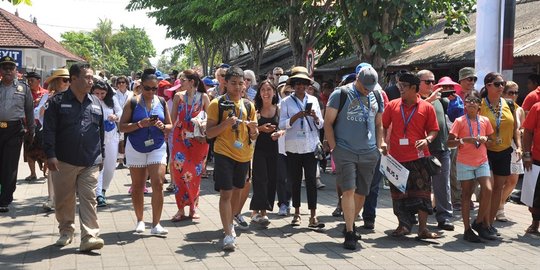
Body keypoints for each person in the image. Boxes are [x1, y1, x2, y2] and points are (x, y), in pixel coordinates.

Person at [42, 62, 104, 251]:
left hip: (90, 160)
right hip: (63, 160)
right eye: (87, 77)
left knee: (89, 198)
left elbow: (100, 131)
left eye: (92, 77)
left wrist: (101, 155)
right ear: (74, 79)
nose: (91, 81)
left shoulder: (95, 102)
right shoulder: (57, 102)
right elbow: (49, 130)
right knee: (64, 199)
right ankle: (66, 231)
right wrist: (50, 154)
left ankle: (89, 236)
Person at [324, 66, 384, 250]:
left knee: (362, 193)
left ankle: (350, 221)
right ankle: (349, 232)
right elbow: (328, 123)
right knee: (348, 190)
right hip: (345, 150)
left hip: (369, 152)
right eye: (364, 87)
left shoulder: (377, 96)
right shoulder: (340, 94)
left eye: (370, 88)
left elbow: (379, 123)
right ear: (357, 79)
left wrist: (379, 145)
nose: (367, 90)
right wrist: (335, 149)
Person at [382, 72, 441, 239]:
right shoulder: (392, 105)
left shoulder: (427, 107)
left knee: (422, 194)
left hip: (419, 157)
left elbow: (434, 129)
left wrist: (427, 140)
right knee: (398, 195)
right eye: (399, 86)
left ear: (414, 88)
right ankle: (403, 226)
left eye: (404, 86)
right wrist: (383, 142)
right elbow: (383, 126)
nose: (400, 89)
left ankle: (423, 229)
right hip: (396, 158)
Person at [206, 66, 258, 251]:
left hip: (243, 155)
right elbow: (209, 132)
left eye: (240, 83)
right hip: (224, 153)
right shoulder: (216, 104)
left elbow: (254, 136)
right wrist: (226, 124)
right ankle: (228, 234)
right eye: (233, 83)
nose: (237, 87)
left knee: (237, 191)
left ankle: (230, 221)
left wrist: (253, 129)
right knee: (226, 193)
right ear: (225, 83)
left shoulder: (249, 105)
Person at [119, 68, 172, 236]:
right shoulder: (132, 102)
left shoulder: (162, 102)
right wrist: (140, 124)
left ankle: (156, 224)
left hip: (157, 146)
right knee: (138, 187)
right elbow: (122, 126)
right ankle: (140, 220)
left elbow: (170, 125)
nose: (151, 92)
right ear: (141, 86)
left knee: (158, 182)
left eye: (154, 88)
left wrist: (163, 127)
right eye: (147, 88)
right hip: (135, 146)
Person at [279, 66, 324, 228]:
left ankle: (313, 214)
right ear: (292, 85)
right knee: (295, 181)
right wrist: (296, 117)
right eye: (297, 83)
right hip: (293, 146)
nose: (300, 86)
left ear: (307, 85)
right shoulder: (285, 102)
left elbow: (321, 124)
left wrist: (315, 117)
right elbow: (281, 124)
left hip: (310, 146)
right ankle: (297, 213)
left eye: (304, 83)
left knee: (312, 180)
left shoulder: (313, 101)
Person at [448, 91, 495, 242]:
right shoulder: (459, 121)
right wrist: (463, 141)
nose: (472, 103)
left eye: (475, 100)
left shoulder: (485, 120)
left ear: (480, 105)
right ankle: (467, 229)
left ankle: (479, 222)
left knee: (487, 189)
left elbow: (492, 140)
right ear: (465, 105)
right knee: (466, 195)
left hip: (482, 161)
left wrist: (486, 139)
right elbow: (449, 143)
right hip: (465, 162)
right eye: (468, 101)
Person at [479, 72, 521, 237]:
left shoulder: (509, 104)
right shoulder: (480, 104)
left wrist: (519, 146)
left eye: (502, 83)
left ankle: (489, 223)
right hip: (485, 151)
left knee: (498, 188)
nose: (501, 87)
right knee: (487, 188)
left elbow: (516, 128)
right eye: (497, 84)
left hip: (504, 151)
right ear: (488, 85)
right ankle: (482, 222)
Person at [170, 70, 210, 221]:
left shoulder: (203, 97)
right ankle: (180, 209)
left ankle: (193, 207)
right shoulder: (178, 97)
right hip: (180, 139)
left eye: (183, 80)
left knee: (194, 174)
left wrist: (203, 123)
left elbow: (210, 118)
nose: (180, 83)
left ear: (192, 82)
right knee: (180, 173)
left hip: (198, 140)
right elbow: (172, 119)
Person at [418, 71, 455, 231]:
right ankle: (418, 216)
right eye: (428, 82)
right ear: (418, 83)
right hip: (423, 149)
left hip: (442, 147)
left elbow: (455, 116)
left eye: (433, 82)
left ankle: (444, 217)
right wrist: (429, 100)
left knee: (442, 184)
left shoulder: (441, 100)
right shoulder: (415, 99)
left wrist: (455, 101)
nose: (432, 85)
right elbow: (414, 115)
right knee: (421, 185)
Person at [0, 56, 34, 213]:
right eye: (4, 67)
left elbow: (29, 110)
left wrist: (31, 130)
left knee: (10, 165)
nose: (7, 70)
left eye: (10, 68)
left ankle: (5, 199)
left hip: (15, 130)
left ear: (16, 71)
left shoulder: (23, 88)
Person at [250, 80, 281, 225]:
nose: (266, 93)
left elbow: (284, 127)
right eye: (263, 89)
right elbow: (249, 131)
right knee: (260, 178)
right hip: (259, 148)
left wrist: (279, 133)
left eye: (269, 89)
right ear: (259, 92)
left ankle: (264, 210)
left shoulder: (279, 109)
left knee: (272, 179)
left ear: (274, 92)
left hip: (275, 148)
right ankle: (258, 211)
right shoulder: (254, 109)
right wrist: (261, 129)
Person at [40, 68, 71, 211]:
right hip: (53, 137)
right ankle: (51, 198)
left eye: (69, 80)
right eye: (65, 80)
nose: (68, 83)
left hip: (69, 138)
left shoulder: (74, 96)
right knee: (52, 169)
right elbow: (38, 114)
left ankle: (65, 198)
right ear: (56, 81)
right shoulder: (48, 98)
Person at [497, 81, 525, 221]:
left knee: (513, 180)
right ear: (503, 93)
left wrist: (521, 145)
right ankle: (498, 207)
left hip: (515, 146)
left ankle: (500, 204)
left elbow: (520, 129)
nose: (513, 95)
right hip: (501, 145)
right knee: (500, 179)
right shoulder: (498, 107)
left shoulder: (519, 109)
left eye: (516, 92)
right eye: (510, 92)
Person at [91, 80, 122, 207]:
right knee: (98, 166)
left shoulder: (112, 100)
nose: (99, 96)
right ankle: (98, 194)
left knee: (110, 166)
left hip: (110, 136)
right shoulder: (88, 100)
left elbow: (120, 112)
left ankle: (103, 189)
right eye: (96, 93)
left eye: (102, 93)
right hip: (94, 137)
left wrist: (115, 116)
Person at [23, 71, 48, 181]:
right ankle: (32, 173)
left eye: (31, 80)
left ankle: (46, 172)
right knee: (29, 151)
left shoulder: (46, 94)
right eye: (28, 81)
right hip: (29, 125)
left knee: (45, 151)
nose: (29, 82)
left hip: (43, 126)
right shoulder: (25, 92)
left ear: (38, 81)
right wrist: (34, 102)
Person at [521, 102, 540, 235]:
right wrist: (527, 154)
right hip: (538, 158)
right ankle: (535, 224)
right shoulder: (537, 107)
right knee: (536, 194)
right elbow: (527, 131)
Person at [115, 75, 133, 169]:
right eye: (119, 82)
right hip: (118, 120)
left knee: (129, 140)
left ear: (127, 83)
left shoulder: (131, 94)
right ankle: (121, 161)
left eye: (123, 82)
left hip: (129, 120)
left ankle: (129, 160)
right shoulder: (114, 94)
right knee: (120, 140)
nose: (121, 84)